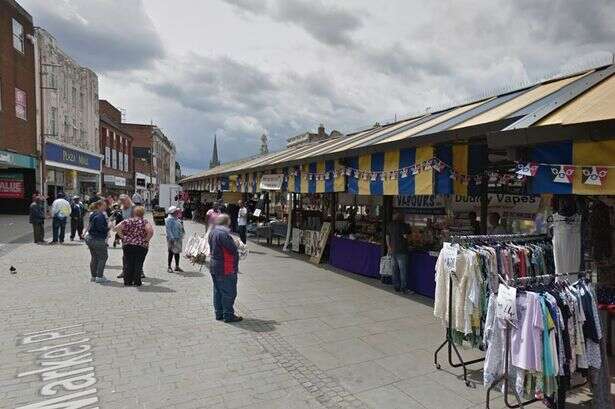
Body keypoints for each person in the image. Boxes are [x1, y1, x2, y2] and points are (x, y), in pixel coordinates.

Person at [208, 214, 242, 322]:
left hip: (215, 266)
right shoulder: (223, 234)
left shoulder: (213, 232)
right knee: (229, 292)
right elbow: (232, 248)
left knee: (218, 291)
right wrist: (236, 242)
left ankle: (219, 313)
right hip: (225, 267)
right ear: (227, 222)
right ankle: (228, 315)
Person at [114, 206, 153, 286]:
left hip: (128, 244)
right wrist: (146, 239)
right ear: (142, 213)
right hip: (140, 245)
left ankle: (127, 281)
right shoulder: (144, 222)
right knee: (138, 263)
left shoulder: (127, 221)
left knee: (128, 263)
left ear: (133, 213)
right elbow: (150, 231)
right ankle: (137, 282)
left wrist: (123, 237)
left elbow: (116, 228)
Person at [386, 212, 412, 293]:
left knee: (394, 269)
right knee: (402, 270)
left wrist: (389, 247)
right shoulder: (403, 225)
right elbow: (406, 236)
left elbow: (387, 237)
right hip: (402, 250)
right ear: (402, 217)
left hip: (393, 250)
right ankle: (403, 288)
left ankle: (396, 286)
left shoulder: (390, 225)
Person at [86, 200, 110, 283]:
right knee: (103, 257)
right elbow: (101, 228)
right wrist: (108, 227)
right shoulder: (100, 215)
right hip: (97, 239)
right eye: (104, 205)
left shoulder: (93, 214)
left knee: (94, 257)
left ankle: (93, 276)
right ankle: (99, 276)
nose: (105, 207)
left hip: (90, 238)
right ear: (99, 206)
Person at [165, 206, 185, 273]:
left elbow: (181, 228)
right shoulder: (169, 219)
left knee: (177, 253)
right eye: (176, 211)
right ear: (173, 212)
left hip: (178, 238)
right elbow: (168, 230)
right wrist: (172, 238)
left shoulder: (177, 219)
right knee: (171, 252)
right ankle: (169, 267)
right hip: (172, 239)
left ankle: (177, 266)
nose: (177, 212)